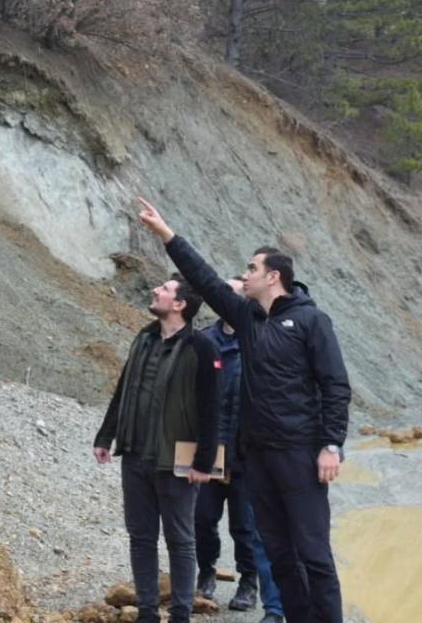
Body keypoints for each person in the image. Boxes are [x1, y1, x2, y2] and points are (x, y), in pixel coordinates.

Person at [135, 197, 351, 623]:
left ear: (273, 277)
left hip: (301, 454)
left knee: (313, 554)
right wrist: (167, 235)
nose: (245, 274)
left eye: (252, 269)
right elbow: (208, 281)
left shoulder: (312, 321)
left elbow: (335, 385)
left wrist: (331, 444)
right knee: (279, 553)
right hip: (258, 458)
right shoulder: (248, 318)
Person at [93, 274, 221, 623]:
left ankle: (181, 614)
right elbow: (125, 387)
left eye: (164, 289)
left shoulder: (202, 347)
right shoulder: (144, 337)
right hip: (135, 454)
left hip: (176, 461)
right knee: (141, 537)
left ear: (179, 304)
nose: (155, 291)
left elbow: (212, 410)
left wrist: (204, 463)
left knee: (180, 540)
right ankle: (147, 613)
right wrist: (106, 436)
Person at [196, 278, 285, 623]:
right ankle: (206, 571)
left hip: (247, 456)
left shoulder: (258, 341)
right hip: (209, 453)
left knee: (246, 526)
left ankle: (249, 583)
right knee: (201, 518)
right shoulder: (204, 341)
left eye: (236, 292)